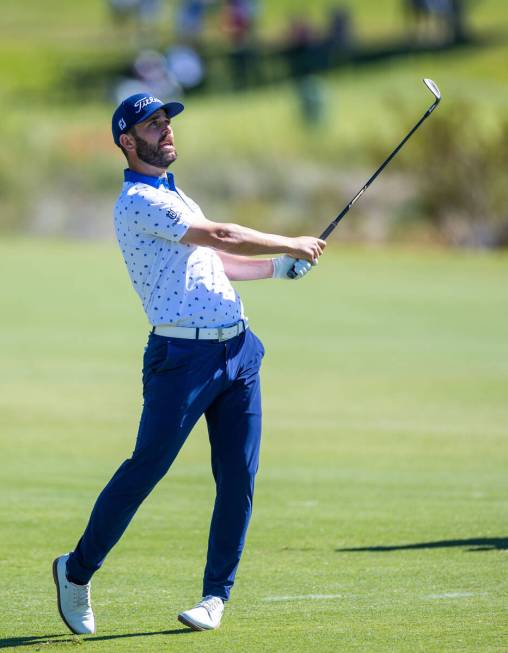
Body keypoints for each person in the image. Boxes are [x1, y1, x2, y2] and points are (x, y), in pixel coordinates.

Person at [52, 92, 326, 635]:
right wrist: (291, 243)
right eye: (152, 125)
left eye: (167, 121)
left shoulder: (174, 193)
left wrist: (275, 268)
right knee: (145, 470)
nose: (166, 129)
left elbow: (212, 258)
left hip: (238, 351)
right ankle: (76, 572)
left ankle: (214, 597)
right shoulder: (137, 202)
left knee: (238, 477)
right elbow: (221, 234)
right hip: (182, 359)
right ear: (127, 143)